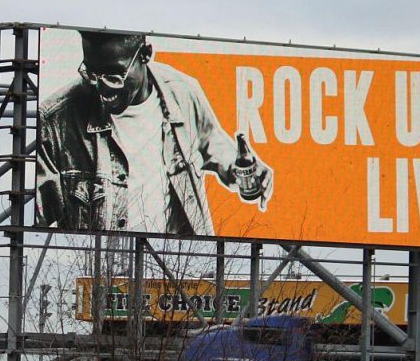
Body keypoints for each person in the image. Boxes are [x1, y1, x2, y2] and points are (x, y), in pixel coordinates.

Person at [37, 31, 271, 235]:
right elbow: (34, 220)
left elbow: (221, 152)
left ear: (145, 54)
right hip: (100, 277)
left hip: (176, 270)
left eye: (113, 76)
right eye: (91, 73)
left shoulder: (183, 94)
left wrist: (247, 173)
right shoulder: (54, 121)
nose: (101, 86)